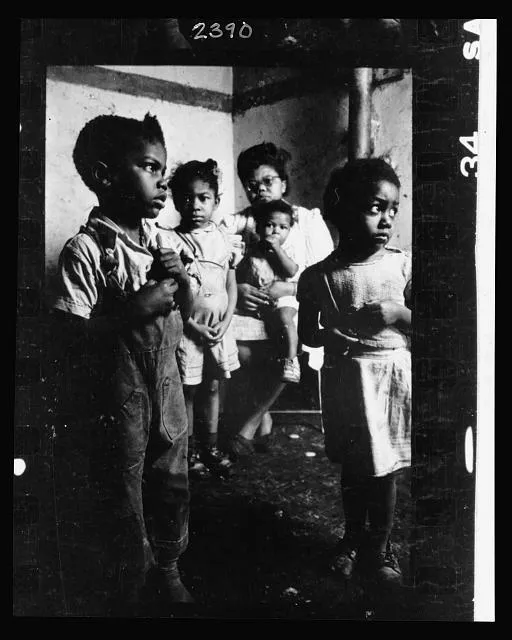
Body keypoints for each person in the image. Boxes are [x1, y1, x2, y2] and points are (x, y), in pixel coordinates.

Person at [51, 113, 195, 615]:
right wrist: (135, 308)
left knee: (172, 479)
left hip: (168, 390)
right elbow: (69, 336)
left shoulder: (166, 242)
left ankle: (168, 565)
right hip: (118, 398)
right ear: (105, 175)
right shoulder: (85, 250)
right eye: (150, 167)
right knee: (122, 487)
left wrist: (183, 281)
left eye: (164, 169)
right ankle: (130, 579)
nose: (163, 180)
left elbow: (188, 312)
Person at [297, 158, 411, 585]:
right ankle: (350, 538)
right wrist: (331, 338)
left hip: (389, 378)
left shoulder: (402, 266)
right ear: (341, 209)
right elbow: (309, 331)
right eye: (375, 207)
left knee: (384, 470)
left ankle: (380, 547)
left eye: (393, 209)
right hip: (346, 380)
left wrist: (397, 312)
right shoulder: (316, 277)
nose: (387, 219)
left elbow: (432, 326)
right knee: (353, 468)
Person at [220, 142, 333, 457]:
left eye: (268, 182)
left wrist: (291, 289)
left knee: (284, 339)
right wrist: (239, 292)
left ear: (283, 183)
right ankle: (264, 415)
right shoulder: (236, 223)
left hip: (296, 306)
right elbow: (216, 270)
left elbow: (326, 276)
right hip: (250, 306)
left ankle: (252, 422)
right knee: (235, 348)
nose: (260, 191)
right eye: (252, 185)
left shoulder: (307, 220)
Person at [170, 160, 239, 479]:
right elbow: (171, 296)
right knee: (188, 390)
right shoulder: (170, 241)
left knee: (213, 387)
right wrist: (191, 324)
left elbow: (231, 285)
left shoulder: (225, 239)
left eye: (203, 198)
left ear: (215, 200)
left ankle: (210, 446)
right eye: (186, 197)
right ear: (174, 199)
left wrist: (225, 323)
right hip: (189, 330)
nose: (195, 205)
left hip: (218, 329)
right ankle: (189, 451)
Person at [235, 199, 304, 384]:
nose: (276, 231)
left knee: (285, 318)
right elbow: (242, 271)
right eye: (270, 225)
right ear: (258, 228)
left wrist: (277, 249)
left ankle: (291, 360)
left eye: (283, 227)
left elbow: (291, 271)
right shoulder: (252, 250)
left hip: (284, 297)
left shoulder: (287, 249)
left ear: (290, 230)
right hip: (260, 300)